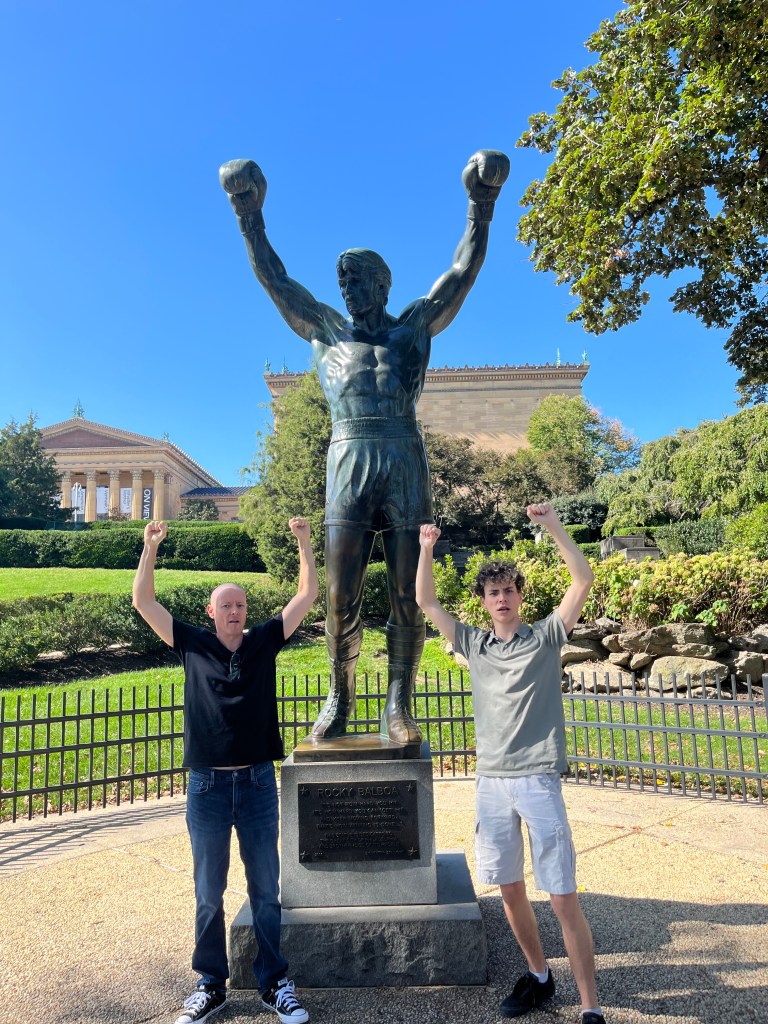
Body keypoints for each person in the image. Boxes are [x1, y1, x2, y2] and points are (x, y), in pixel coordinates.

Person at [219, 150, 509, 744]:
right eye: (342, 281)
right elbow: (274, 278)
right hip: (347, 455)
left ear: (384, 284)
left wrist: (481, 206)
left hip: (403, 455)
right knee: (339, 591)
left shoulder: (414, 327)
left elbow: (462, 273)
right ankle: (339, 695)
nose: (348, 289)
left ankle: (399, 704)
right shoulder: (326, 330)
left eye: (358, 280)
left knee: (408, 590)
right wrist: (249, 212)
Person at [415, 503, 606, 1024]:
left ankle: (590, 1007)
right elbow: (425, 599)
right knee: (509, 888)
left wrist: (552, 527)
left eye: (509, 590)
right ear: (484, 601)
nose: (502, 598)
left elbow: (582, 578)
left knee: (563, 896)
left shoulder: (546, 637)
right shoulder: (473, 644)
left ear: (520, 596)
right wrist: (427, 548)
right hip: (491, 782)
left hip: (538, 779)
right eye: (493, 592)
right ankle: (540, 976)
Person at [132, 517, 318, 1024]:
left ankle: (275, 982)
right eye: (226, 605)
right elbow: (144, 603)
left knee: (265, 891)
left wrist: (302, 541)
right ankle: (211, 985)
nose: (234, 612)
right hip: (208, 785)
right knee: (208, 894)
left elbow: (306, 594)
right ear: (211, 612)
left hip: (257, 782)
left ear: (245, 612)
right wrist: (150, 548)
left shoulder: (263, 642)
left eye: (240, 605)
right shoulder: (193, 643)